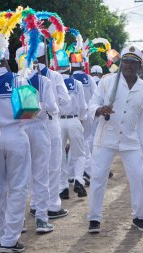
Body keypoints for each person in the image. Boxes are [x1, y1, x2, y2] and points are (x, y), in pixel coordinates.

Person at [87, 45, 143, 233]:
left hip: (130, 139)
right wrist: (100, 110)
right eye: (125, 61)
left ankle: (140, 217)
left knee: (138, 177)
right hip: (106, 136)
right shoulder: (107, 82)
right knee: (98, 177)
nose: (128, 65)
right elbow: (93, 103)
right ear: (121, 62)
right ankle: (94, 219)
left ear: (139, 65)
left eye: (133, 62)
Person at [0, 48, 31, 252]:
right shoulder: (19, 79)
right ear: (6, 58)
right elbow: (31, 111)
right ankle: (10, 239)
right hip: (16, 135)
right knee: (18, 188)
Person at [16, 45, 58, 234]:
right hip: (39, 128)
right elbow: (52, 107)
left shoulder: (14, 81)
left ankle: (20, 221)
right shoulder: (43, 80)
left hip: (21, 129)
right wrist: (38, 105)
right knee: (41, 175)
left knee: (20, 178)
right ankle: (41, 219)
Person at [27, 43, 70, 220]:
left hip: (29, 123)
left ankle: (36, 204)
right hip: (50, 123)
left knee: (34, 167)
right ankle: (52, 205)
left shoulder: (24, 76)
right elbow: (65, 100)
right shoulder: (54, 76)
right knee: (53, 167)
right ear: (46, 56)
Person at [58, 58, 88, 199]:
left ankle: (63, 188)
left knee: (60, 155)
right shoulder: (77, 84)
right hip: (74, 119)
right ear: (70, 69)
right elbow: (82, 107)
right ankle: (78, 180)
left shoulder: (54, 83)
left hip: (59, 121)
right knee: (79, 154)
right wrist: (80, 119)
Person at [71, 57, 97, 185]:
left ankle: (73, 173)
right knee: (85, 142)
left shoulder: (67, 78)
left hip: (71, 116)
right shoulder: (88, 78)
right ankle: (87, 170)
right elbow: (95, 96)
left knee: (72, 146)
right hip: (86, 115)